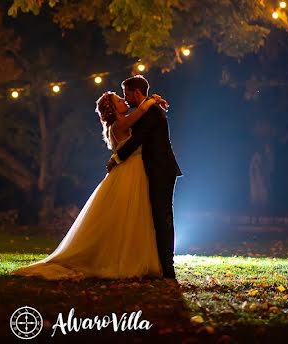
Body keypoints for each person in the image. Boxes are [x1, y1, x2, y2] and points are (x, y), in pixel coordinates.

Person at [10, 88, 169, 280]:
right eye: (119, 100)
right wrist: (152, 100)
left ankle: (136, 256)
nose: (124, 101)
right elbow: (141, 113)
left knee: (134, 214)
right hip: (129, 171)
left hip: (135, 169)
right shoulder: (119, 124)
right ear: (112, 109)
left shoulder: (122, 122)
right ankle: (122, 258)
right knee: (126, 213)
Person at [107, 75, 182, 279]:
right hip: (152, 169)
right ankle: (158, 262)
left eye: (126, 94)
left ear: (137, 93)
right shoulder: (146, 110)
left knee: (162, 217)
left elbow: (138, 139)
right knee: (155, 216)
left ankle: (168, 267)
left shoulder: (152, 113)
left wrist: (117, 158)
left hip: (161, 170)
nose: (126, 99)